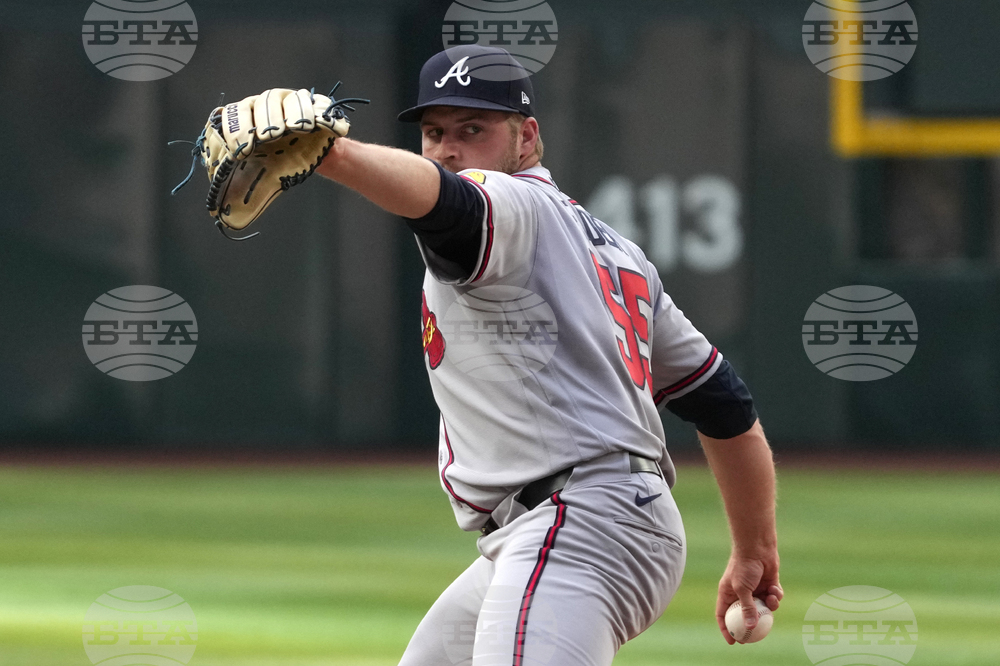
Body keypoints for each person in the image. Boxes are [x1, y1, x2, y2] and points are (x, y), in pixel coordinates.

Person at [315, 45, 782, 665]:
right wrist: (754, 548)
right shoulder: (615, 251)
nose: (449, 148)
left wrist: (330, 154)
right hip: (589, 522)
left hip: (577, 522)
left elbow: (448, 202)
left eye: (473, 129)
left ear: (527, 137)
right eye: (434, 132)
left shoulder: (513, 204)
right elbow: (724, 404)